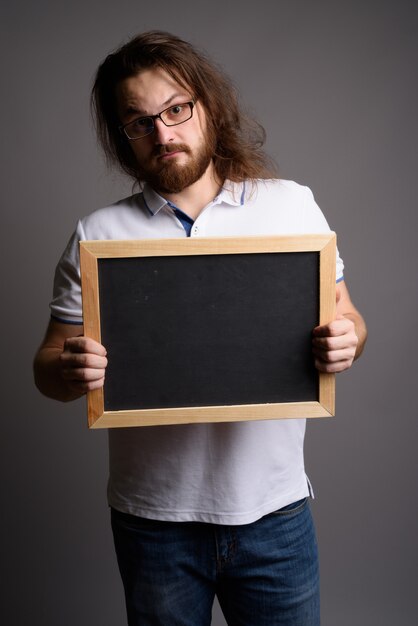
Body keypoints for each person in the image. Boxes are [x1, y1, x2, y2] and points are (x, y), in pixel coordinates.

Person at [33, 31, 367, 626]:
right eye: (139, 122)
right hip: (153, 522)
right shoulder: (99, 235)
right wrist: (68, 368)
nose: (163, 133)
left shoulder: (290, 206)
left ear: (207, 105)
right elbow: (49, 369)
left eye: (175, 109)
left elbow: (348, 318)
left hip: (276, 515)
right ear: (122, 136)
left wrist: (348, 339)